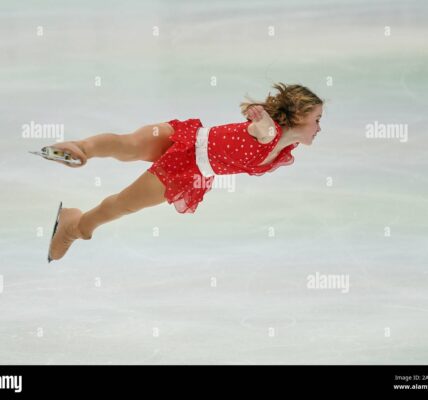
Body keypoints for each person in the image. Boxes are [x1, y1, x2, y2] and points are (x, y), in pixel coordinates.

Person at [47, 82, 324, 262]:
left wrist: (263, 120)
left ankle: (74, 221)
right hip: (188, 151)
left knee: (126, 175)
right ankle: (79, 153)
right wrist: (260, 119)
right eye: (317, 119)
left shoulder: (286, 149)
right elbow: (263, 130)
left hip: (193, 155)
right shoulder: (270, 134)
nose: (319, 127)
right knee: (126, 162)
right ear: (299, 117)